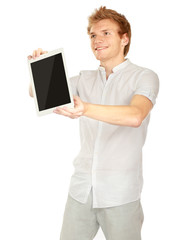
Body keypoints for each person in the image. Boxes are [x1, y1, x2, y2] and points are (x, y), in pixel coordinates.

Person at [28, 6, 159, 240]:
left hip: (120, 195)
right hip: (81, 191)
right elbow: (38, 94)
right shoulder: (84, 79)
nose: (97, 39)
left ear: (124, 38)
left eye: (106, 33)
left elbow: (135, 115)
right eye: (92, 35)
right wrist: (40, 69)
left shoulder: (144, 76)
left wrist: (86, 108)